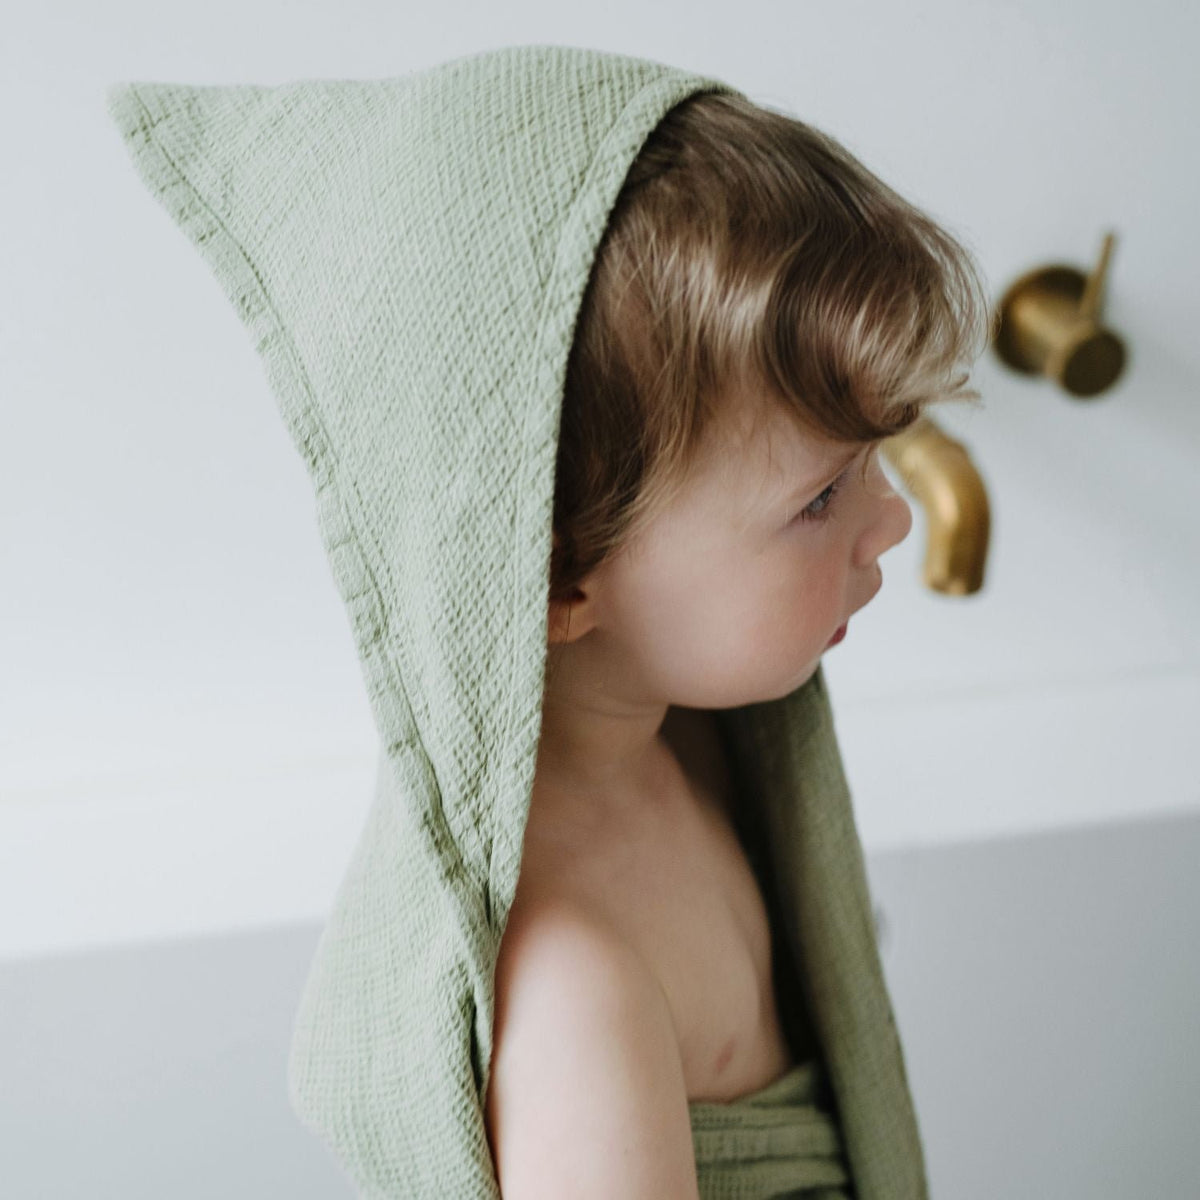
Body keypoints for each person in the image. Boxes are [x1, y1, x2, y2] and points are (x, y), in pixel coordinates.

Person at [106, 44, 991, 1199]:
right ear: (556, 571)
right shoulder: (575, 989)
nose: (890, 524)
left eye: (877, 463)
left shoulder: (689, 745)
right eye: (819, 497)